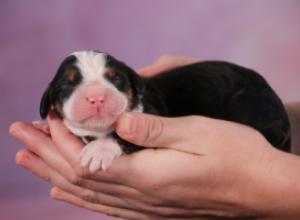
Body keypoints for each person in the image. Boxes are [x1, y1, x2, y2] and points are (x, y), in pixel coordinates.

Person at [10, 55, 300, 220]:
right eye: (71, 87)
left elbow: (142, 139)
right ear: (51, 103)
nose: (97, 97)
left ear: (136, 89)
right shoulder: (68, 113)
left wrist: (269, 180)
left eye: (114, 80)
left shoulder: (144, 109)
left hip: (245, 102)